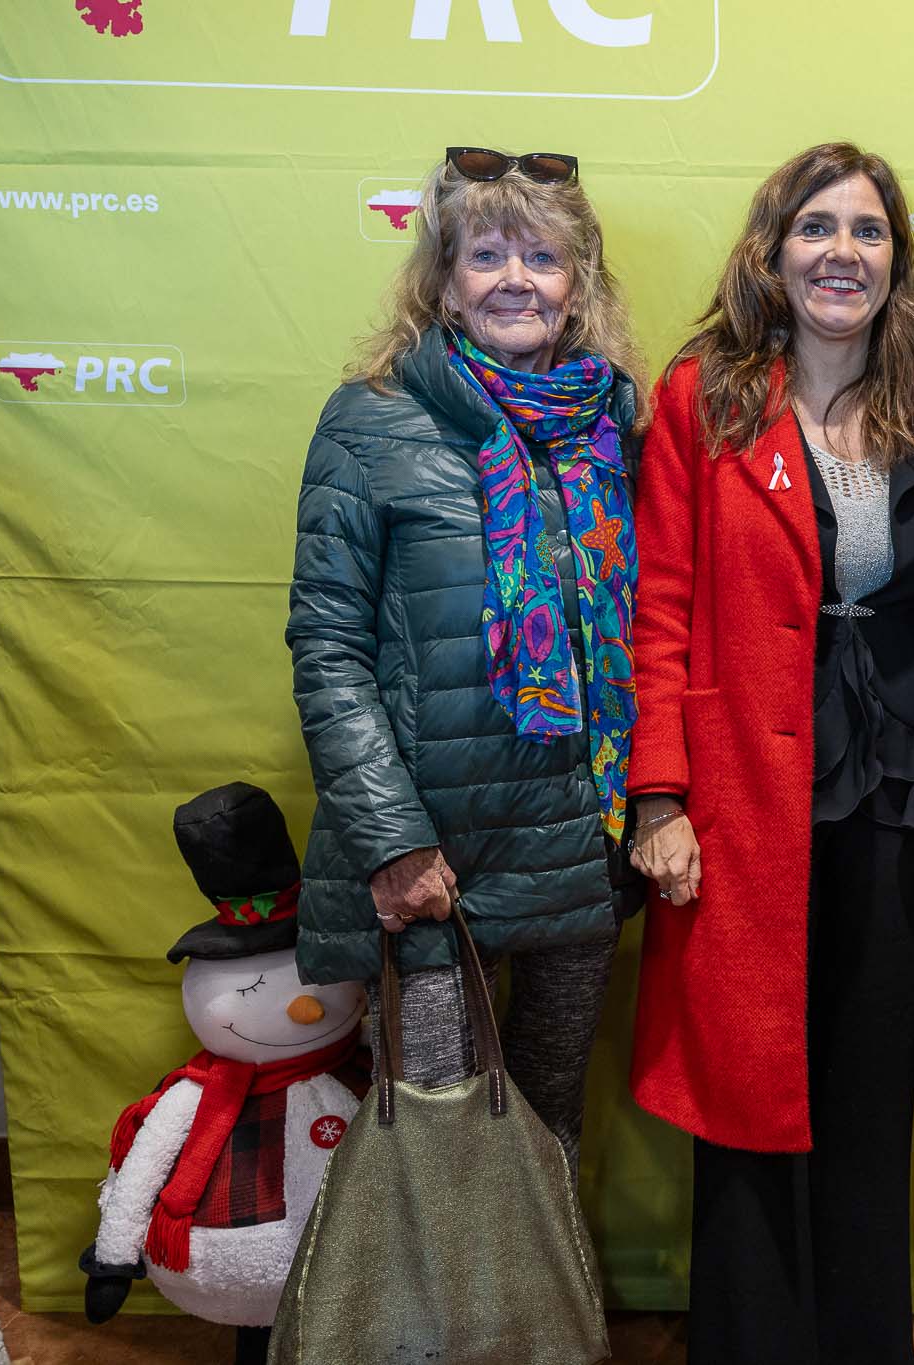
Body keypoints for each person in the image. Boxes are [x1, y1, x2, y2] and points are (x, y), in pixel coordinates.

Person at [624, 141, 914, 1365]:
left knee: (865, 1100)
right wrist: (659, 796)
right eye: (815, 228)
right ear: (771, 252)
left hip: (902, 799)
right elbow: (662, 606)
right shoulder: (703, 397)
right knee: (742, 1089)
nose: (841, 252)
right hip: (743, 799)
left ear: (896, 260)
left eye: (867, 231)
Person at [287, 147, 646, 1172]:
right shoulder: (372, 421)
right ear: (441, 279)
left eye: (542, 255)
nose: (515, 279)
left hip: (579, 857)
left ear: (578, 284)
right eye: (485, 254)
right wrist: (394, 845)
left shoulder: (614, 422)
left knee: (545, 1138)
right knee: (434, 1147)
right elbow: (328, 649)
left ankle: (536, 1334)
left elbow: (638, 633)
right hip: (436, 869)